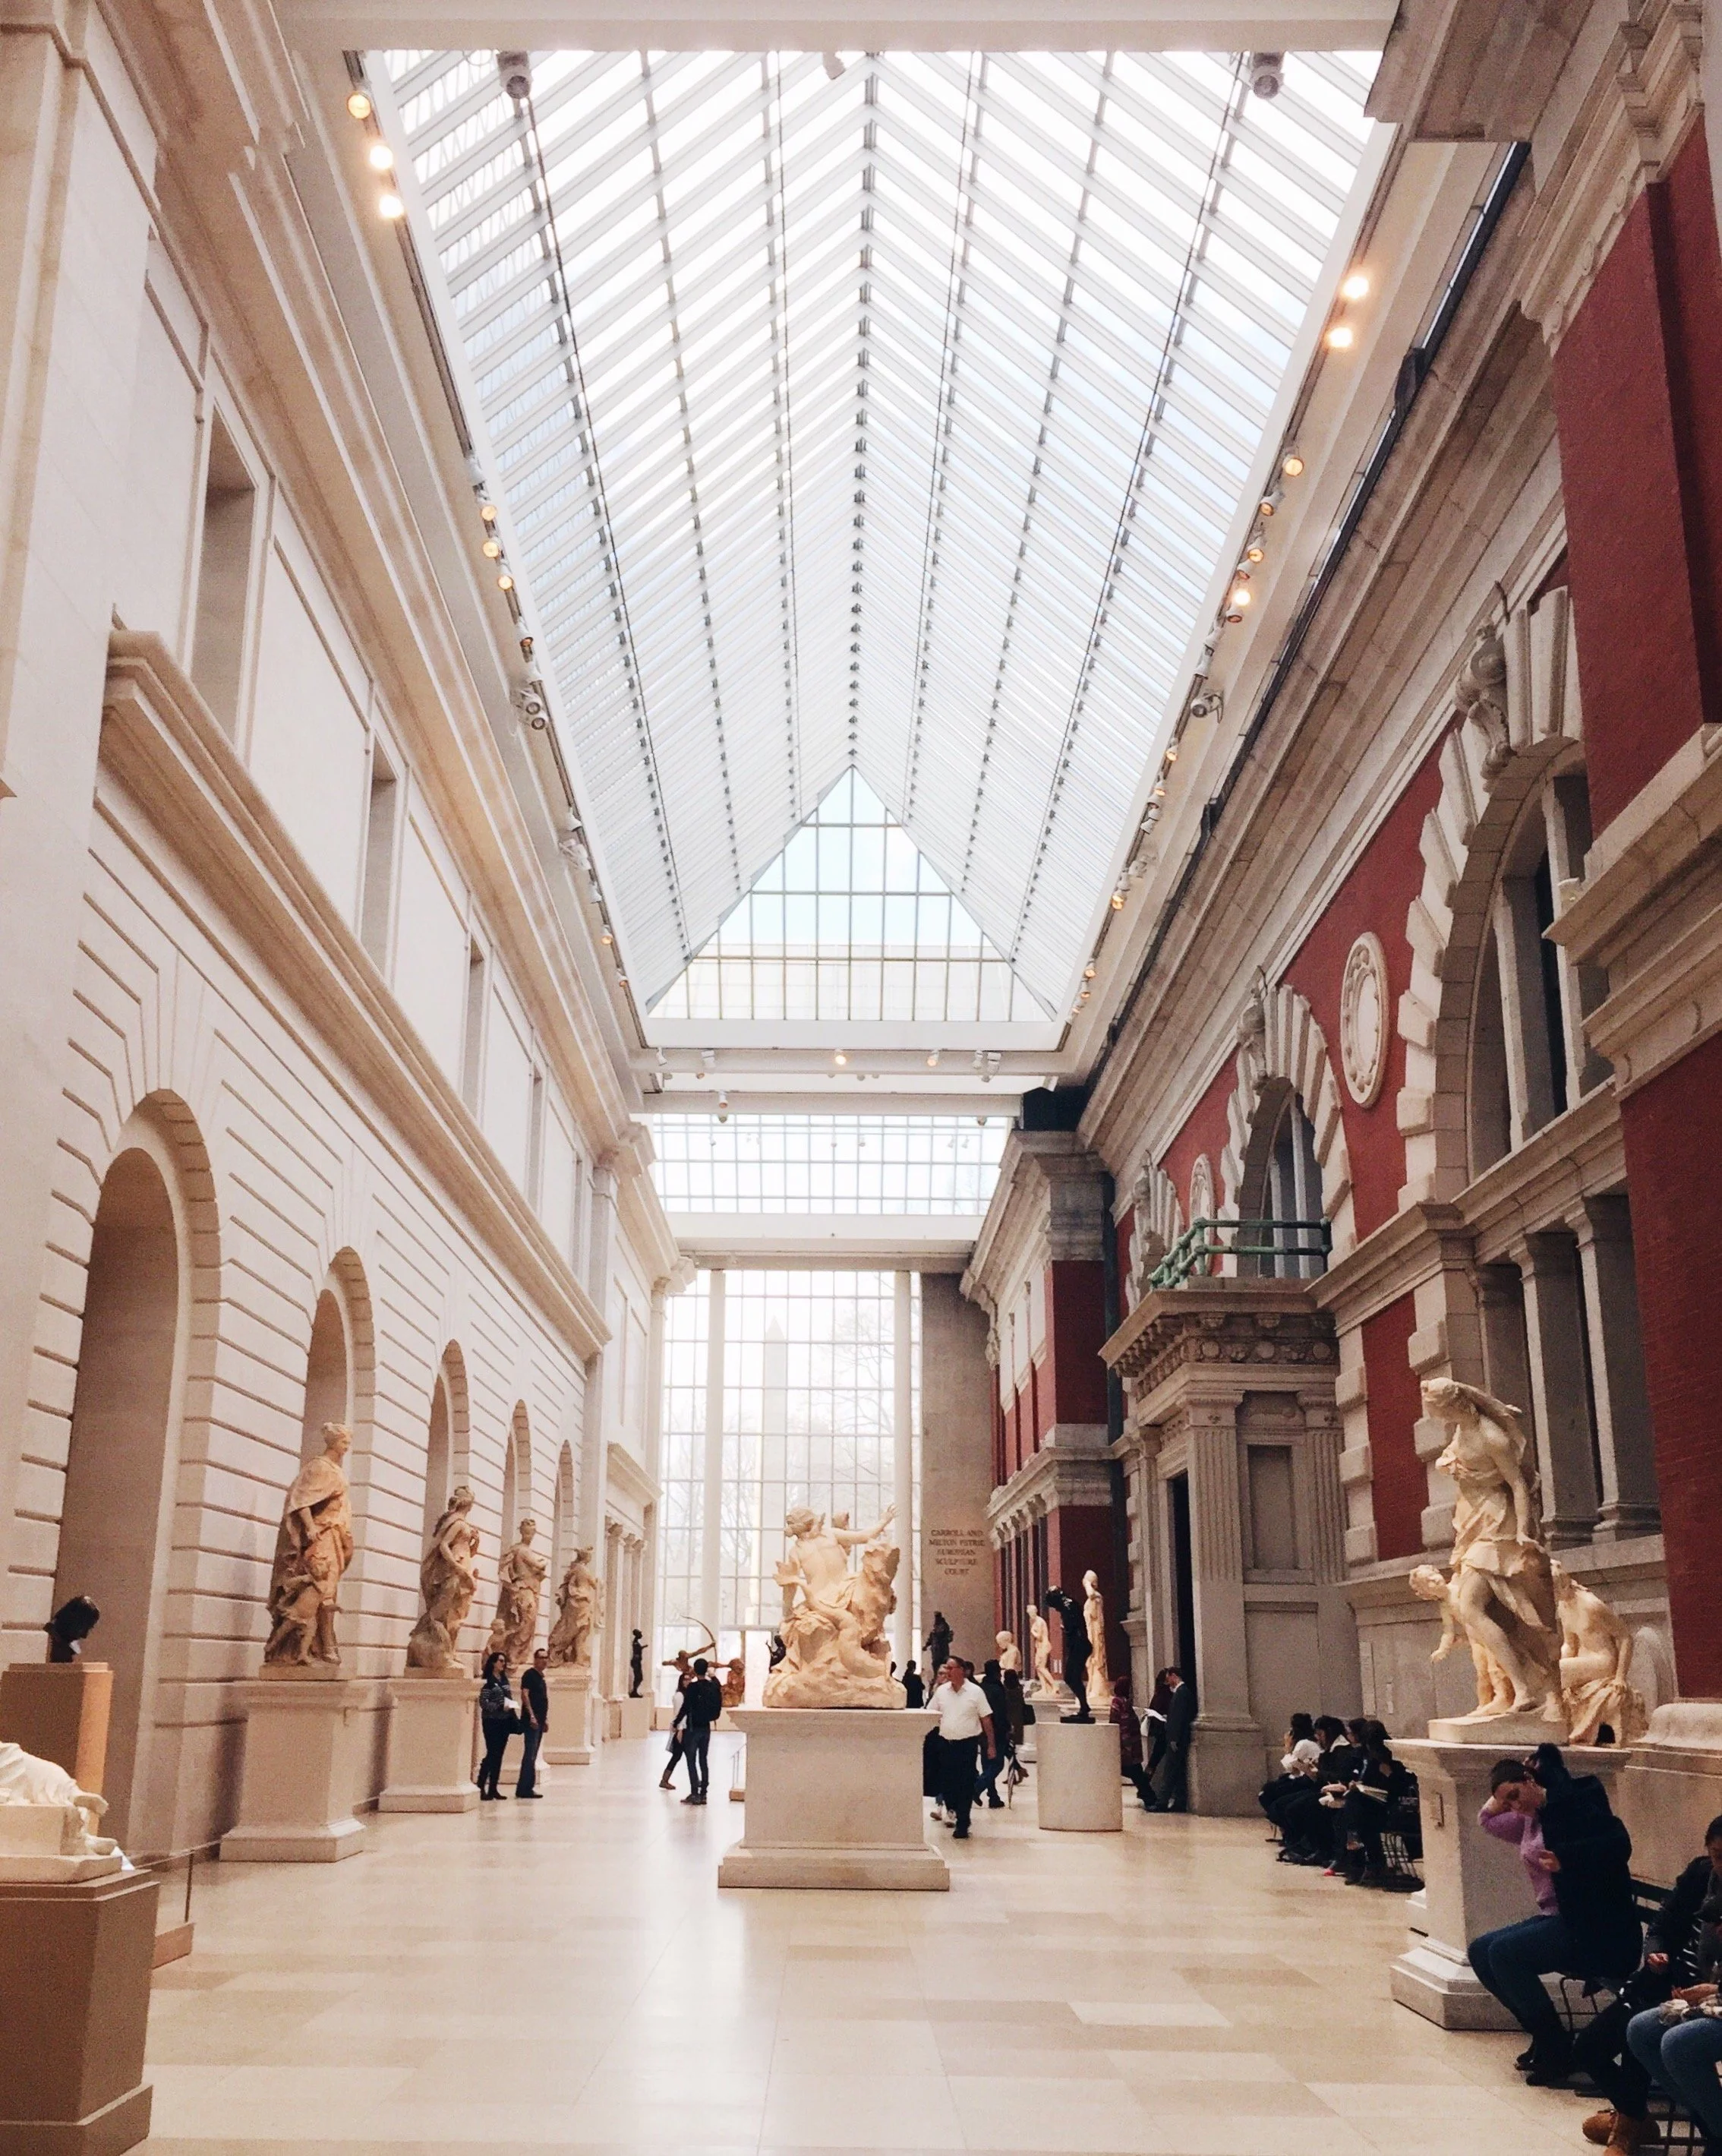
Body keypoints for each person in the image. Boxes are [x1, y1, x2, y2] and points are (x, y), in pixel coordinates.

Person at [1468, 1744, 1641, 2085]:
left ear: (1532, 1781)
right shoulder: (1529, 1820)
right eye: (1509, 1802)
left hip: (1595, 1927)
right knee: (1480, 1950)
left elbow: (1618, 1845)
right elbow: (1486, 1820)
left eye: (1517, 1795)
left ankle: (1557, 2047)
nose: (1515, 1807)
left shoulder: (1574, 1804)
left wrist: (1567, 1860)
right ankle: (1546, 2036)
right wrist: (1504, 1782)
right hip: (1559, 1918)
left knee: (1504, 1954)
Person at [1579, 1814, 1722, 2155]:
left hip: (1711, 1999)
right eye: (1717, 1855)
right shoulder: (1703, 1877)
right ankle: (1700, 2125)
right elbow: (1663, 1925)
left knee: (1673, 2041)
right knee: (1631, 2032)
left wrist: (1713, 1991)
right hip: (1674, 1986)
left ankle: (1631, 2124)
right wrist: (1656, 1954)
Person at [931, 1656, 995, 1839]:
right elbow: (931, 1714)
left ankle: (963, 1822)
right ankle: (952, 1806)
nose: (948, 1672)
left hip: (967, 1745)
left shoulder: (976, 1692)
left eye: (951, 1668)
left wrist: (991, 1745)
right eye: (947, 1669)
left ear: (962, 1670)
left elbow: (986, 1719)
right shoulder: (942, 1691)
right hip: (945, 1744)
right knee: (947, 1782)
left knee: (965, 1783)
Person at [679, 1656, 724, 1806]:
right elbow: (718, 1686)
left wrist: (676, 1722)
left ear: (694, 1670)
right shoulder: (712, 1686)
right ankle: (704, 1793)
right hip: (706, 1727)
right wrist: (713, 1675)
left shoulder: (693, 1688)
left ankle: (694, 1793)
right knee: (703, 1760)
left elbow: (686, 1707)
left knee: (691, 1761)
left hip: (693, 1728)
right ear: (706, 1670)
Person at [1147, 1666, 1194, 1811]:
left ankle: (1162, 1803)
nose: (1168, 1682)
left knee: (1170, 1772)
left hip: (1176, 1740)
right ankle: (1180, 1802)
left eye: (1169, 1679)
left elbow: (1180, 1718)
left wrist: (1173, 1738)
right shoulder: (1181, 1692)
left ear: (1174, 1676)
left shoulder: (1181, 1693)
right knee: (1178, 1772)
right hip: (1177, 1738)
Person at [475, 1652, 517, 1801]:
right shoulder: (488, 1681)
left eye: (504, 1661)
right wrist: (499, 1706)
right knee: (492, 1753)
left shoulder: (504, 1680)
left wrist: (511, 1705)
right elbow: (483, 1702)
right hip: (491, 1721)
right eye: (500, 1661)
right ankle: (481, 1785)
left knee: (499, 1755)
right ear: (493, 1663)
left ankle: (493, 1788)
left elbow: (509, 1697)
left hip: (504, 1720)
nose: (503, 1664)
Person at [1111, 1676, 1151, 1807]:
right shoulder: (1119, 1702)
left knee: (1136, 1772)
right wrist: (1126, 1745)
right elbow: (1122, 1724)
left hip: (1130, 1744)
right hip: (1128, 1745)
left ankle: (1149, 1797)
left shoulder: (1123, 1702)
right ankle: (1150, 1798)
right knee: (1135, 1772)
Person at [976, 1659, 1010, 1809]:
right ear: (997, 1673)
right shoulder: (998, 1689)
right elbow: (1001, 1713)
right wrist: (1007, 1728)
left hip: (981, 1731)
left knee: (987, 1764)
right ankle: (976, 1788)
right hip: (997, 1731)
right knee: (997, 1764)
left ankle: (993, 1796)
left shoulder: (981, 1688)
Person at [516, 1646, 548, 1798]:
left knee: (533, 1754)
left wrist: (545, 1719)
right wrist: (532, 1716)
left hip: (540, 1720)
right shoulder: (529, 1675)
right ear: (535, 1660)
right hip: (532, 1721)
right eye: (541, 1657)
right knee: (530, 1754)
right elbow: (525, 1695)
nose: (544, 1660)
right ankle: (524, 1788)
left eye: (545, 1658)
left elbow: (543, 1699)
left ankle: (527, 1787)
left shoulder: (541, 1677)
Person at [926, 1611, 952, 1675]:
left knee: (941, 1665)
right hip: (936, 1652)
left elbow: (947, 1636)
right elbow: (930, 1640)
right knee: (936, 1666)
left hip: (942, 1651)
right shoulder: (934, 1633)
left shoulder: (944, 1627)